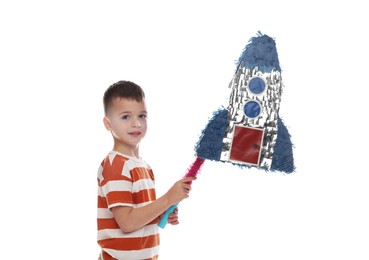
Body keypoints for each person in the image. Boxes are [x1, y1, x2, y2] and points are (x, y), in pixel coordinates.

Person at [97, 80, 195, 260]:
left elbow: (140, 216)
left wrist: (162, 215)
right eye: (126, 117)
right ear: (108, 124)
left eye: (142, 115)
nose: (136, 123)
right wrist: (167, 199)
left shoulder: (144, 167)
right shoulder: (115, 165)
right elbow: (127, 222)